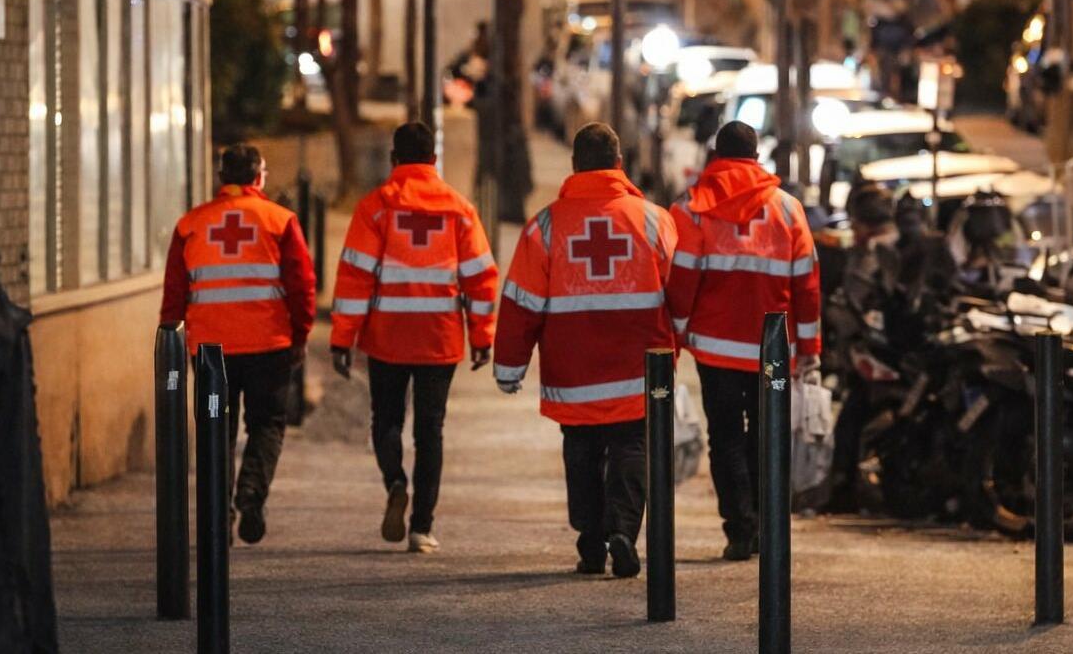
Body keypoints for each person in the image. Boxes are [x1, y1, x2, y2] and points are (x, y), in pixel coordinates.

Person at [493, 123, 677, 577]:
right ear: (619, 164)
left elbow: (521, 304)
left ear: (575, 166)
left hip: (573, 375)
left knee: (582, 453)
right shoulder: (654, 220)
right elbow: (683, 290)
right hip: (639, 368)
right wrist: (679, 344)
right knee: (633, 446)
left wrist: (509, 367)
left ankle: (591, 541)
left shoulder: (546, 226)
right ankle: (623, 530)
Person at [330, 122, 500, 553]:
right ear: (434, 161)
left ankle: (395, 482)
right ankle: (422, 528)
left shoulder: (376, 208)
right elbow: (480, 277)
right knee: (431, 432)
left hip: (387, 334)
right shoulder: (459, 209)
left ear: (394, 160)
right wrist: (482, 335)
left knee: (386, 420)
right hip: (438, 336)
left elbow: (354, 278)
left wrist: (342, 339)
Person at [664, 121, 821, 561]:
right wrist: (809, 350)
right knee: (765, 438)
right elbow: (807, 285)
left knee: (726, 438)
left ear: (717, 155)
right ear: (756, 157)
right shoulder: (788, 209)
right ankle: (766, 525)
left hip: (716, 348)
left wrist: (673, 340)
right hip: (772, 350)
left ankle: (739, 529)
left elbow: (682, 281)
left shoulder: (693, 209)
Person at [159, 144, 317, 545]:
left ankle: (218, 514)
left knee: (218, 429)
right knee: (266, 424)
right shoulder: (279, 220)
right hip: (268, 346)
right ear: (259, 177)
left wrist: (170, 344)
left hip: (211, 352)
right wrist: (300, 337)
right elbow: (302, 286)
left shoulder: (191, 225)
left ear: (221, 178)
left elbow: (175, 294)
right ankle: (251, 494)